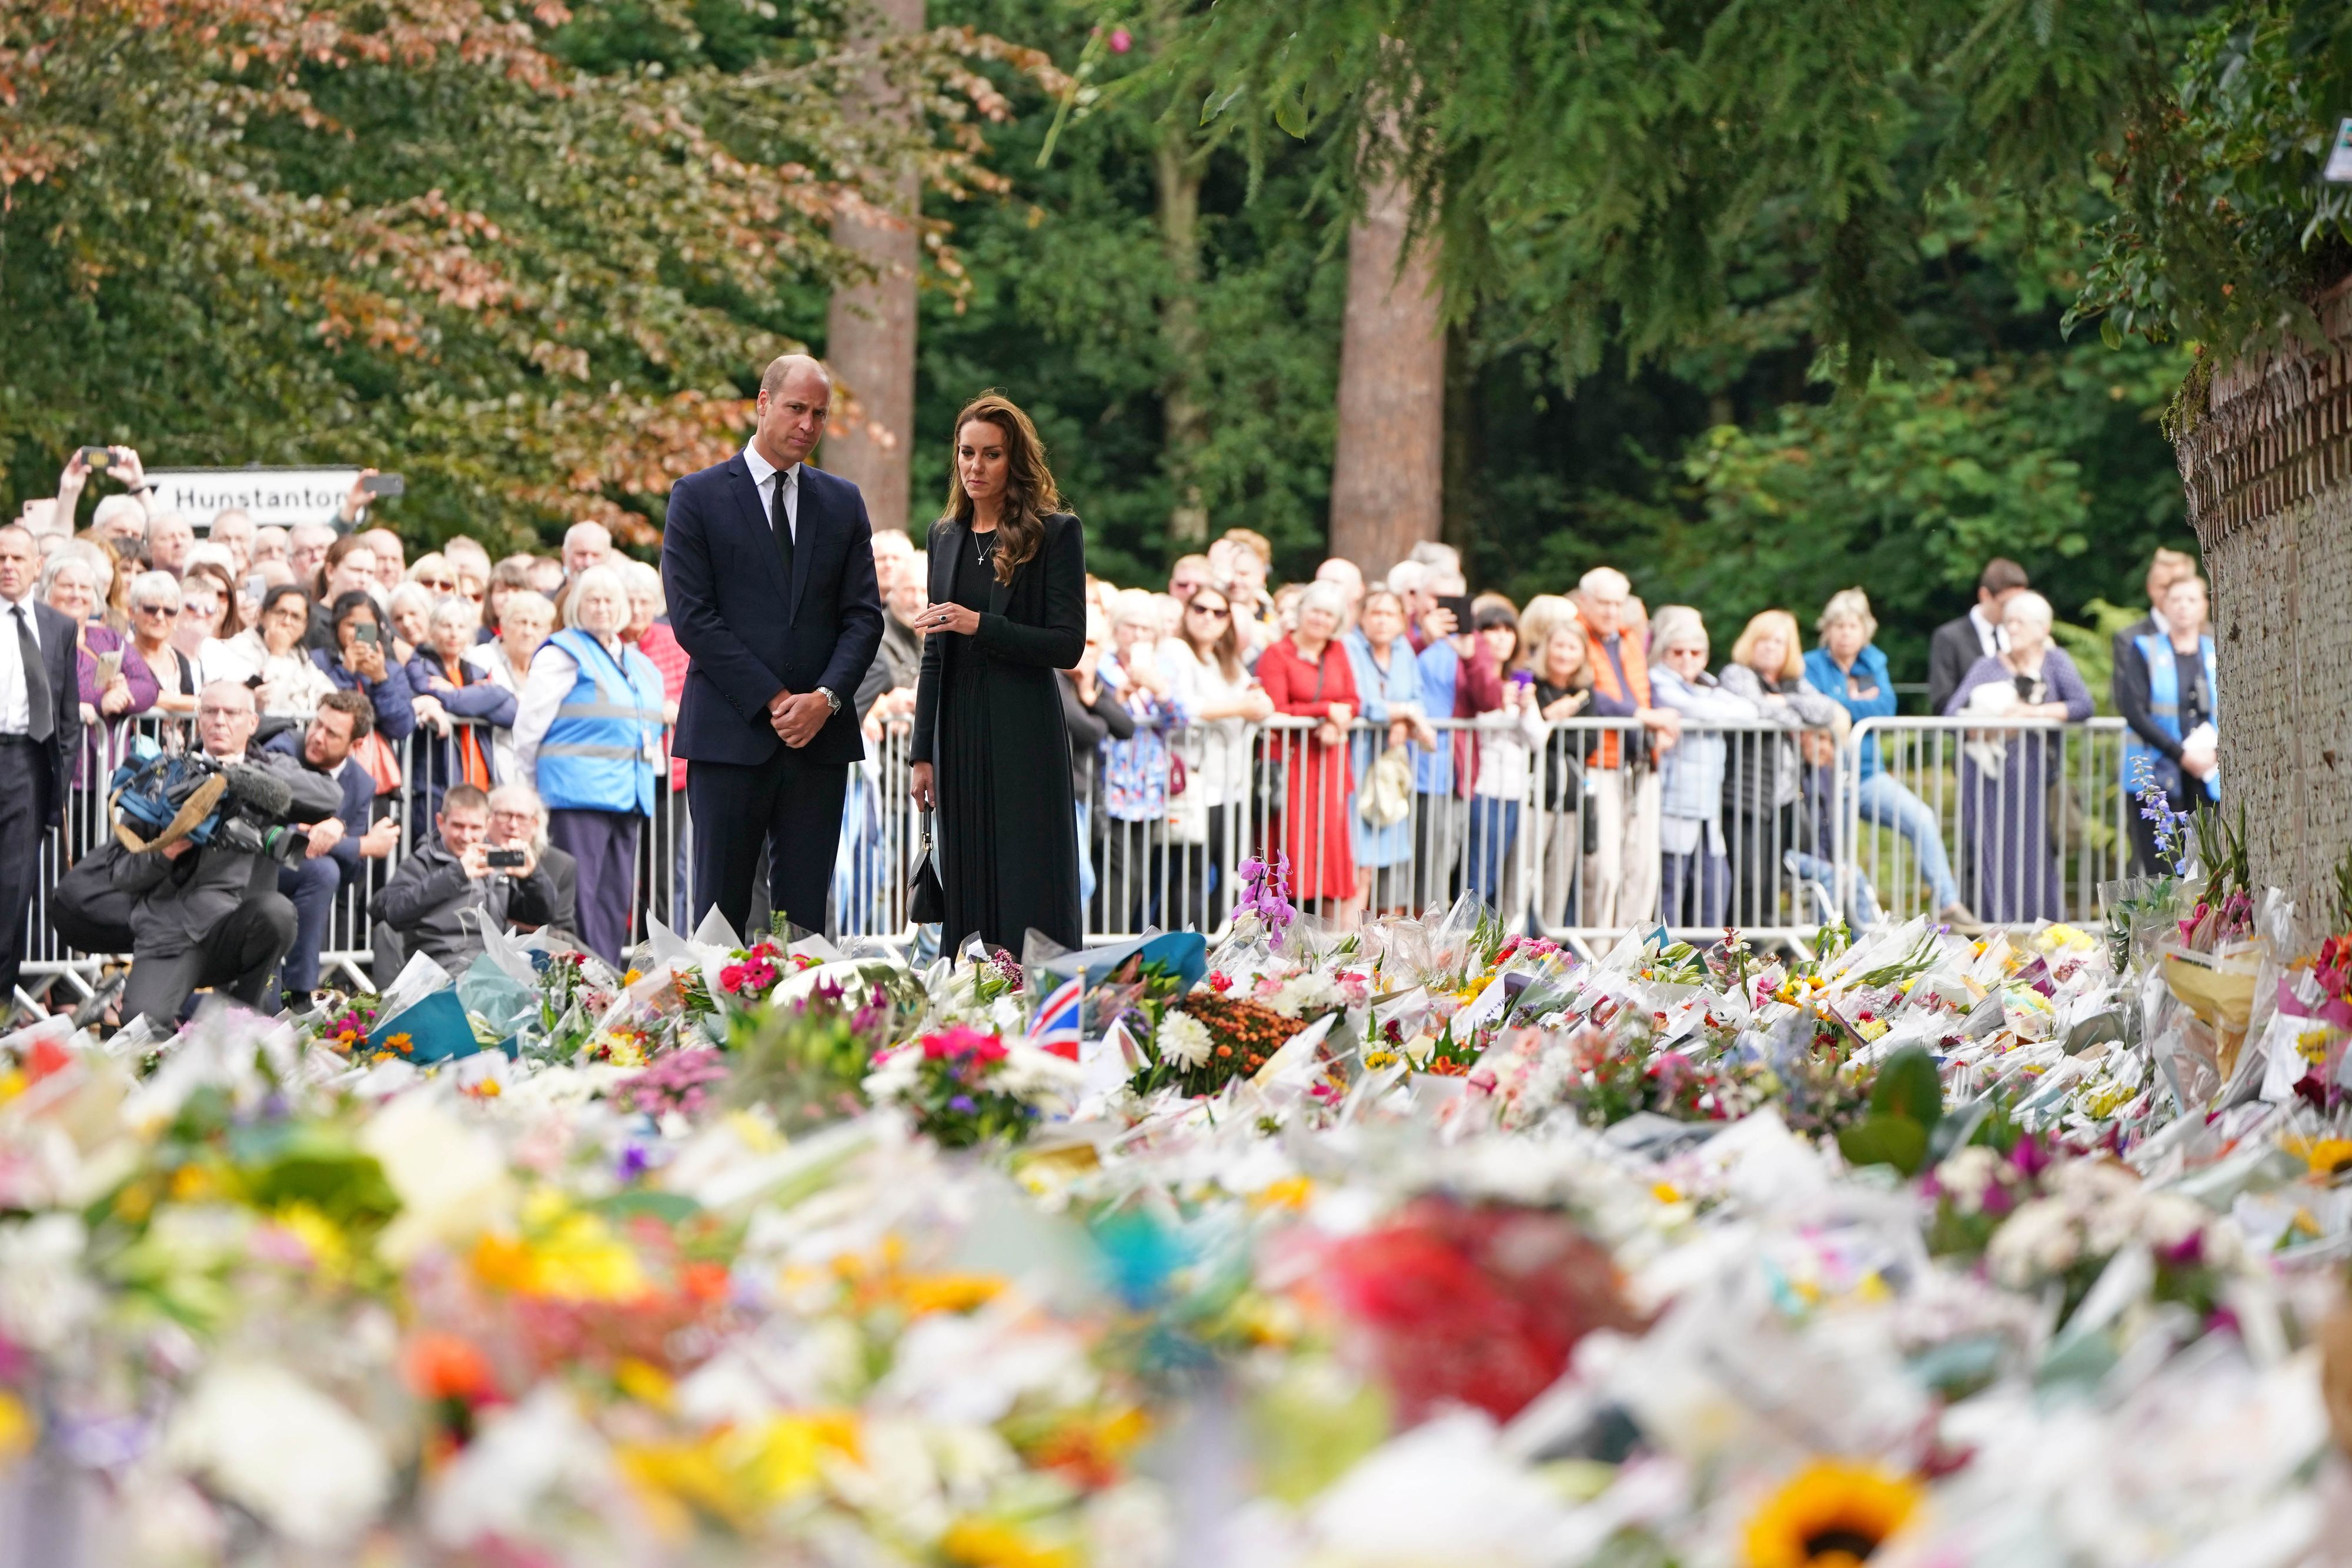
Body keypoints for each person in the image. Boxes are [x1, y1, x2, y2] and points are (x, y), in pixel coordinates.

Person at [663, 356, 883, 939]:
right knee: (718, 922)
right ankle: (711, 1032)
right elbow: (693, 618)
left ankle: (806, 1028)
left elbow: (863, 619)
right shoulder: (698, 497)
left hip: (820, 741)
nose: (808, 425)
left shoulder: (841, 502)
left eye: (819, 414)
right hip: (729, 734)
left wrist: (826, 700)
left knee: (807, 925)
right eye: (796, 409)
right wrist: (776, 700)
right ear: (762, 404)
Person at [904, 393, 1086, 951]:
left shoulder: (1054, 532)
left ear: (1015, 460)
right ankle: (972, 998)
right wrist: (922, 753)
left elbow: (1067, 645)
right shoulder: (945, 536)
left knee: (1028, 873)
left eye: (991, 455)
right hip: (958, 728)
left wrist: (979, 624)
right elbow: (935, 654)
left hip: (1024, 728)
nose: (975, 467)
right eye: (966, 454)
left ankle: (1039, 993)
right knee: (969, 874)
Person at [95, 682, 342, 1025]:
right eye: (211, 712)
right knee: (142, 1027)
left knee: (278, 913)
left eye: (232, 713)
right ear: (199, 719)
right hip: (172, 933)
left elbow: (329, 798)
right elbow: (121, 871)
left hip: (239, 932)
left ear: (252, 723)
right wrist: (168, 851)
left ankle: (241, 1026)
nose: (220, 721)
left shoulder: (270, 768)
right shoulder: (163, 777)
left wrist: (240, 778)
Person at [512, 565, 665, 962]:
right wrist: (527, 793)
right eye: (592, 599)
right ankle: (575, 987)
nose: (601, 607)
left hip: (628, 798)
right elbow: (529, 726)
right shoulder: (563, 652)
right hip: (574, 796)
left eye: (610, 599)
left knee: (614, 904)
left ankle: (604, 987)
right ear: (578, 605)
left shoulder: (641, 664)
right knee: (577, 904)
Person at [1806, 589, 1969, 924]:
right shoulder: (1811, 664)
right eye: (1839, 626)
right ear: (1827, 630)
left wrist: (1839, 705)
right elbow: (1814, 710)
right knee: (1836, 858)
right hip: (1826, 781)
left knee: (1922, 818)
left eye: (1853, 626)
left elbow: (1885, 708)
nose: (1846, 633)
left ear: (1865, 630)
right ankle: (1835, 932)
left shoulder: (1873, 662)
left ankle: (1949, 904)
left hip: (1868, 775)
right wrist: (1851, 702)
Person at [1943, 590, 2093, 923]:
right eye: (2008, 622)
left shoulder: (2056, 662)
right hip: (1988, 778)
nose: (2011, 629)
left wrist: (2031, 713)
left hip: (2036, 776)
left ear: (2042, 628)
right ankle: (2001, 930)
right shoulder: (1988, 666)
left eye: (2020, 623)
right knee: (1994, 854)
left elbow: (2083, 705)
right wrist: (1990, 728)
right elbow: (1953, 714)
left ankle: (2048, 929)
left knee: (2037, 854)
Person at [1719, 609, 1853, 927]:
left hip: (1783, 798)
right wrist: (1795, 715)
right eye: (1763, 640)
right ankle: (1734, 957)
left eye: (1779, 642)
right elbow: (1756, 711)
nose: (1770, 648)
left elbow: (1827, 710)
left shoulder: (1791, 683)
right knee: (1748, 880)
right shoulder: (1737, 674)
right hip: (1746, 794)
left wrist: (1785, 704)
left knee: (1769, 884)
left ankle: (1760, 959)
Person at [263, 691, 399, 998]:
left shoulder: (361, 783)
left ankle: (299, 991)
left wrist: (335, 839)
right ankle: (299, 991)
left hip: (307, 881)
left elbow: (352, 872)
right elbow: (281, 831)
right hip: (261, 865)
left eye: (332, 733)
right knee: (324, 870)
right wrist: (361, 844)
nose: (317, 737)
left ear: (355, 745)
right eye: (317, 725)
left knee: (327, 871)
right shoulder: (284, 747)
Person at [0, 526, 82, 1012]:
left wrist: (58, 789)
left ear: (36, 566)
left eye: (17, 557)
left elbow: (68, 718)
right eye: (0, 556)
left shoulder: (58, 626)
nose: (7, 565)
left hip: (26, 763)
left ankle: (2, 1006)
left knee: (13, 889)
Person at [370, 782, 562, 979]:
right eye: (458, 826)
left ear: (487, 826)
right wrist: (457, 873)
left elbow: (541, 916)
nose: (466, 836)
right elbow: (392, 911)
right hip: (438, 972)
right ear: (441, 822)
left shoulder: (494, 861)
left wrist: (532, 877)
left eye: (475, 827)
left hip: (492, 969)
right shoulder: (422, 861)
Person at [1576, 567, 1676, 931]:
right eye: (1603, 604)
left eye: (1618, 604)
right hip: (1600, 760)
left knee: (1642, 867)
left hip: (1640, 761)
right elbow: (1590, 694)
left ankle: (1631, 955)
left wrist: (1663, 721)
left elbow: (1645, 686)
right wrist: (1643, 715)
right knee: (1604, 869)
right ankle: (1596, 952)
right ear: (1584, 602)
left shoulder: (1630, 638)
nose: (1611, 612)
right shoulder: (1575, 635)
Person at [1163, 583, 1268, 928]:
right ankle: (1188, 942)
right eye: (1200, 609)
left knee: (1229, 871)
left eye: (1218, 612)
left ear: (1227, 622)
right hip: (1195, 780)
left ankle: (1216, 941)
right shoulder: (1176, 651)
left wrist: (1258, 702)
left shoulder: (1228, 661)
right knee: (1193, 868)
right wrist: (1241, 707)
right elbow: (1183, 706)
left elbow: (1257, 700)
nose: (1209, 618)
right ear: (1187, 612)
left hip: (1230, 782)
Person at [1254, 580, 1359, 918]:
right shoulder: (1276, 654)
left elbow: (1353, 701)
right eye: (1315, 610)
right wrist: (1324, 712)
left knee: (1327, 849)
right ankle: (1282, 921)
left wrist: (1337, 720)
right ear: (1300, 613)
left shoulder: (1338, 652)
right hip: (1292, 765)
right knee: (1291, 841)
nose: (1321, 620)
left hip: (1328, 764)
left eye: (1329, 614)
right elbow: (1275, 708)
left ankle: (1322, 935)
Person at [1646, 607, 1753, 931]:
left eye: (1696, 652)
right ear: (1664, 653)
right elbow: (1694, 710)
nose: (1687, 659)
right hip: (1673, 800)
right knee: (1671, 886)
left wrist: (1715, 708)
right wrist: (1718, 710)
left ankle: (1710, 959)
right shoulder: (1658, 681)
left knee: (1716, 883)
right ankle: (1667, 959)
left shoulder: (1709, 685)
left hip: (1707, 805)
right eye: (1678, 652)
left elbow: (1748, 712)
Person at [2116, 567, 2218, 872]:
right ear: (2163, 606)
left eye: (2191, 599)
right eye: (2176, 599)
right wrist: (2181, 754)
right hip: (2161, 772)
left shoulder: (2217, 648)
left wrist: (2213, 754)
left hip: (2210, 774)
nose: (2183, 606)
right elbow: (2133, 709)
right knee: (2165, 868)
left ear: (2204, 605)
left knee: (2210, 866)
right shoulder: (2145, 650)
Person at [1097, 591, 1183, 929]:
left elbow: (1179, 720)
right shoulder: (1102, 665)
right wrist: (1121, 696)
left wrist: (1160, 692)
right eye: (1131, 627)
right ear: (1117, 628)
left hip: (1149, 782)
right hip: (1112, 779)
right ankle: (1108, 941)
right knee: (1119, 872)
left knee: (1141, 872)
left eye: (1147, 629)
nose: (1138, 635)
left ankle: (1127, 942)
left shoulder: (1163, 669)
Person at [1340, 588, 1427, 915]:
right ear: (1361, 617)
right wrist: (1400, 714)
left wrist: (1405, 718)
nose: (1382, 620)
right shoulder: (1349, 647)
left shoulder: (1404, 650)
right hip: (1356, 760)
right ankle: (1344, 945)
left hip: (1389, 767)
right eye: (1375, 612)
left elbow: (1419, 698)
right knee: (1357, 864)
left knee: (1387, 864)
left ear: (1402, 621)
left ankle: (1377, 953)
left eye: (1390, 614)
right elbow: (1359, 699)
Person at [1462, 600, 1542, 915]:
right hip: (1482, 787)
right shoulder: (1476, 682)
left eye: (1508, 630)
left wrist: (1525, 709)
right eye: (1492, 630)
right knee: (1477, 875)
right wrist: (1500, 703)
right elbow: (1474, 723)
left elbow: (1538, 737)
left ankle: (1485, 945)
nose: (1501, 637)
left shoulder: (1519, 680)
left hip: (1514, 790)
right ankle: (1464, 942)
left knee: (1498, 877)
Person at [1060, 612, 1134, 915]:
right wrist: (1095, 715)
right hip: (1058, 794)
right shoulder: (1053, 676)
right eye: (1080, 639)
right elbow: (1088, 730)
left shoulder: (1087, 681)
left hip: (1083, 795)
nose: (1084, 650)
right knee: (1081, 881)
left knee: (1078, 881)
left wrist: (1091, 697)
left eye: (1092, 644)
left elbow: (1126, 727)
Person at [407, 598, 509, 810]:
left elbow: (511, 712)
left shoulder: (477, 670)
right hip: (439, 779)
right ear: (432, 631)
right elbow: (429, 691)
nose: (454, 633)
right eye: (446, 626)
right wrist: (480, 697)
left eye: (461, 627)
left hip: (481, 778)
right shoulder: (419, 666)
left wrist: (455, 694)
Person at [1408, 567, 1469, 911]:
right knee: (1400, 872)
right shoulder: (1401, 631)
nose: (1442, 607)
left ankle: (1431, 948)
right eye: (1435, 597)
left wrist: (1472, 654)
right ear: (1417, 597)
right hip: (1403, 765)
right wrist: (1422, 640)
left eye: (1452, 600)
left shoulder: (1466, 641)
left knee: (1440, 864)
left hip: (1449, 770)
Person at [1529, 617, 1592, 930]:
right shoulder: (1533, 687)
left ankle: (1547, 956)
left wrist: (1552, 729)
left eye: (1572, 647)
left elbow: (1588, 743)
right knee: (1522, 878)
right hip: (1534, 799)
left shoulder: (1585, 696)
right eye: (1559, 646)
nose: (1565, 654)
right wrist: (1548, 719)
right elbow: (1530, 736)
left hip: (1569, 802)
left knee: (1558, 884)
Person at [464, 588, 555, 786]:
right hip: (489, 773)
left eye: (536, 625)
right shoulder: (481, 658)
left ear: (547, 632)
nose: (528, 631)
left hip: (532, 780)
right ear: (503, 626)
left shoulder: (549, 669)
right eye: (521, 622)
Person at [1927, 558, 2030, 719]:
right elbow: (1942, 700)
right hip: (1972, 736)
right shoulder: (1950, 637)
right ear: (1984, 595)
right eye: (2006, 604)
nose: (2013, 612)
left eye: (2019, 604)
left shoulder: (2020, 636)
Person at [313, 590, 417, 742]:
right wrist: (346, 671)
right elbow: (322, 708)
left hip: (375, 757)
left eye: (366, 627)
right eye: (351, 625)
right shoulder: (318, 661)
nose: (358, 633)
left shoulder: (392, 670)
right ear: (337, 626)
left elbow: (402, 727)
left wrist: (381, 680)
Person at [225, 584, 339, 722]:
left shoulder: (299, 654)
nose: (287, 622)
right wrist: (277, 654)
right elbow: (270, 708)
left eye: (296, 617)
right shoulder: (239, 647)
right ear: (261, 615)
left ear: (304, 627)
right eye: (280, 612)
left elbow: (329, 695)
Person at [489, 783, 579, 940]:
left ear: (535, 825)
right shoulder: (473, 857)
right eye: (504, 815)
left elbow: (562, 932)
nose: (513, 825)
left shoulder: (560, 864)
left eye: (522, 818)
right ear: (488, 818)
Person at [122, 571, 199, 717]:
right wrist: (201, 704)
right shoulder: (122, 656)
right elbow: (144, 695)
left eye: (169, 611)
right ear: (132, 612)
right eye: (151, 609)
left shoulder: (180, 659)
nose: (160, 617)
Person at [551, 521, 612, 621]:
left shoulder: (620, 608)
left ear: (608, 558)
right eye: (581, 554)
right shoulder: (547, 604)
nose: (588, 563)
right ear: (564, 555)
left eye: (596, 555)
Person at [208, 509, 256, 576]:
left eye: (240, 539)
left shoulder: (266, 584)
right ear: (210, 543)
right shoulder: (198, 585)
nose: (233, 547)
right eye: (225, 540)